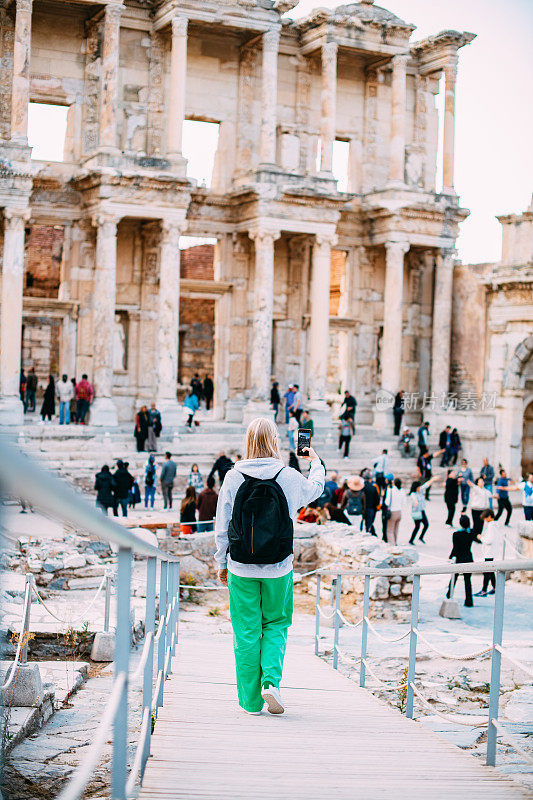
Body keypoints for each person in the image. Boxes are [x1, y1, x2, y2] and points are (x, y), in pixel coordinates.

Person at [215, 416, 325, 715]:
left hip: (240, 565)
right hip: (279, 565)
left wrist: (221, 562)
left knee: (246, 631)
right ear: (275, 441)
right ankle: (271, 682)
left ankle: (250, 702)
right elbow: (315, 489)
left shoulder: (233, 476)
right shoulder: (287, 475)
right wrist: (314, 460)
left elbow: (222, 524)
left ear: (248, 441)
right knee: (276, 624)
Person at [447, 514, 480, 607]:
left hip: (459, 559)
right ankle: (469, 600)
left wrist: (450, 557)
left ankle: (449, 594)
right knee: (467, 580)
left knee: (454, 577)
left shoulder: (456, 534)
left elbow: (455, 548)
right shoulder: (471, 532)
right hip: (468, 558)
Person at [475, 508, 503, 597]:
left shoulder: (491, 526)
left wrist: (481, 538)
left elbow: (489, 540)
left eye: (486, 518)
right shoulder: (495, 525)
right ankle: (495, 587)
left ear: (490, 517)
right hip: (492, 551)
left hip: (489, 552)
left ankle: (484, 590)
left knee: (487, 571)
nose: (485, 521)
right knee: (490, 571)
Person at [408, 476, 440, 544]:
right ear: (416, 487)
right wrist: (415, 502)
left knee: (426, 524)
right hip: (416, 512)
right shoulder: (413, 494)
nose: (420, 487)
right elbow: (413, 498)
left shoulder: (420, 490)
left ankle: (421, 537)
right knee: (417, 527)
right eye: (419, 486)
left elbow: (426, 484)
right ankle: (411, 540)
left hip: (422, 511)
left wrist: (433, 479)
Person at [384, 478, 404, 545]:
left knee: (389, 530)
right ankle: (395, 543)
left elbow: (387, 502)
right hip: (399, 512)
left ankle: (392, 545)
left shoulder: (390, 490)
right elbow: (404, 502)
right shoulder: (402, 491)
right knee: (396, 529)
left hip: (392, 511)